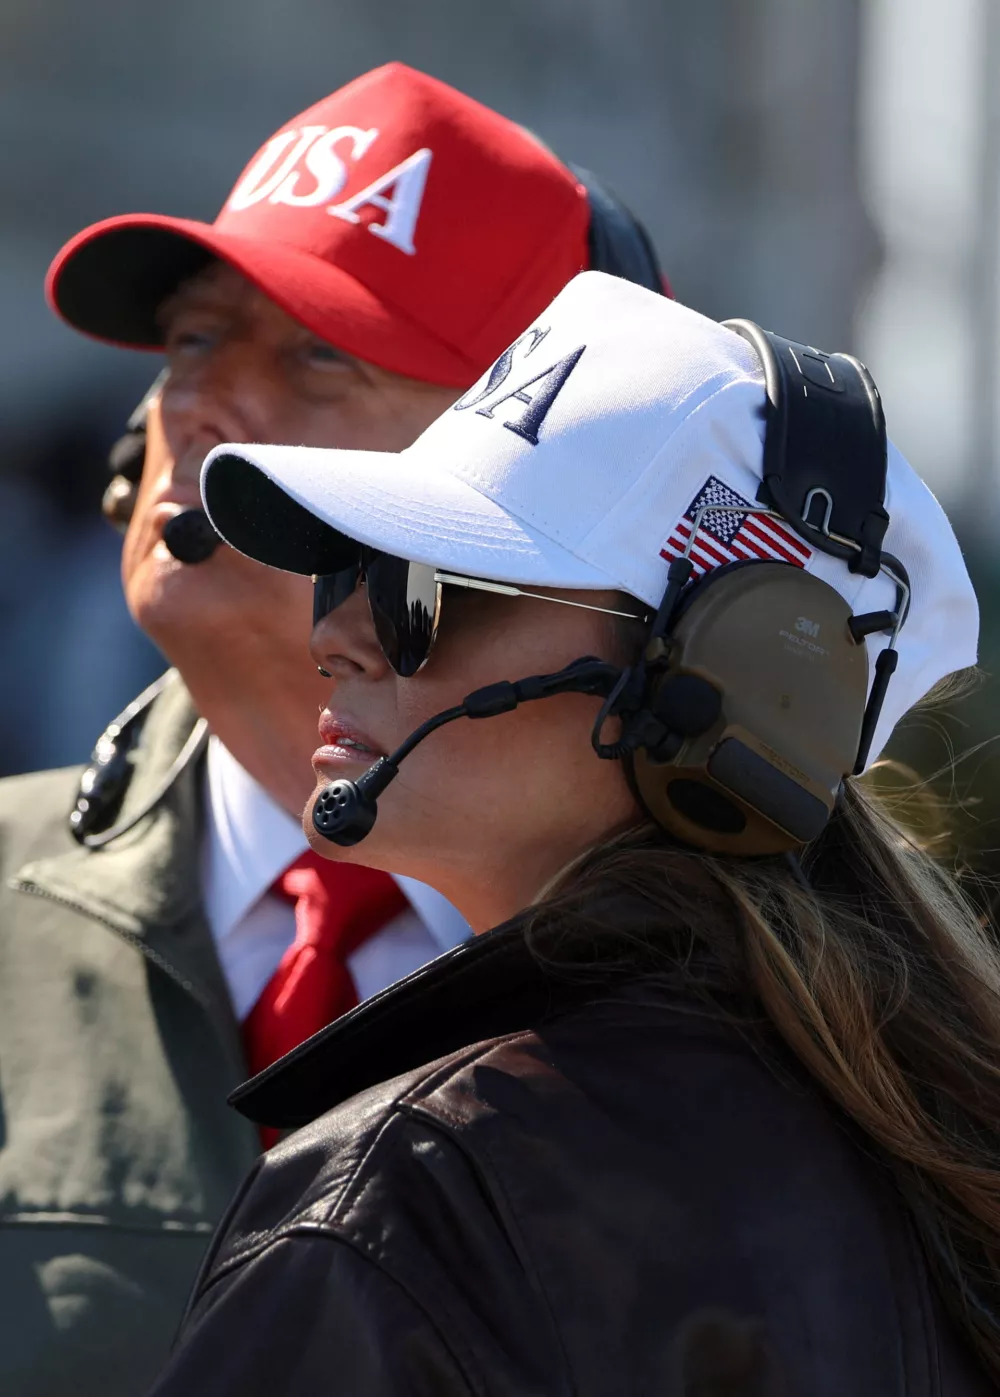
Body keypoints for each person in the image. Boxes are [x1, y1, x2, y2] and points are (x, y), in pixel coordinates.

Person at [150, 270, 995, 1395]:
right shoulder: (928, 1153)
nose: (340, 634)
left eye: (423, 583)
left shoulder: (413, 1196)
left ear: (732, 676)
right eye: (344, 569)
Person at [0, 65, 668, 1397]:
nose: (197, 404)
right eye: (192, 340)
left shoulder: (719, 996)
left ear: (532, 491)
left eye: (319, 352)